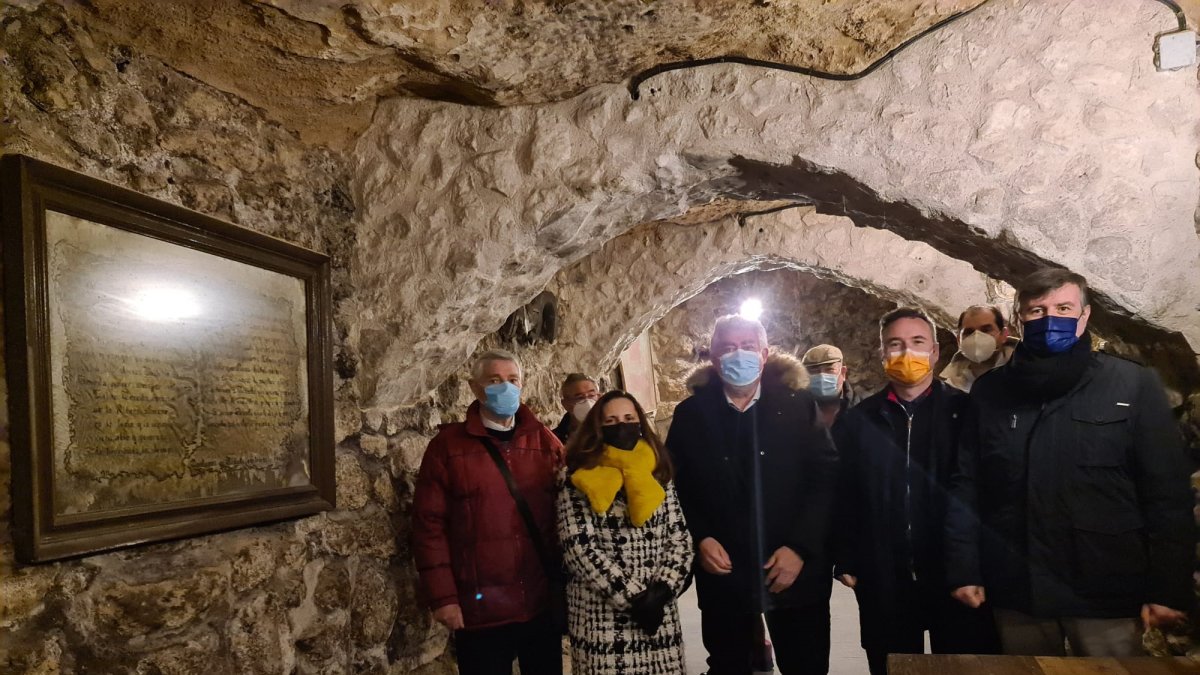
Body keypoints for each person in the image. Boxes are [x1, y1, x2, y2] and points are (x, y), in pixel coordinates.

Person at [945, 268, 1194, 656]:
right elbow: (967, 485)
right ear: (1019, 321)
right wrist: (964, 568)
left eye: (1063, 307)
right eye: (1037, 311)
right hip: (1018, 585)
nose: (1051, 319)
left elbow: (1166, 495)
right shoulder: (991, 392)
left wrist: (1168, 587)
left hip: (1104, 588)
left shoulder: (1131, 385)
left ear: (1085, 316)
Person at [831, 308, 999, 675]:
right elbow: (844, 495)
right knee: (891, 666)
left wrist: (978, 567)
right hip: (884, 579)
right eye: (895, 344)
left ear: (936, 352)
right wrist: (846, 560)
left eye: (917, 343)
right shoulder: (859, 422)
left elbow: (984, 493)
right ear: (881, 353)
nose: (906, 353)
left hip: (954, 576)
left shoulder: (966, 413)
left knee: (962, 666)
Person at [668, 314, 838, 675]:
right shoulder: (690, 415)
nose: (738, 355)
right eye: (727, 348)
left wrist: (800, 548)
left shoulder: (798, 406)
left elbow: (823, 480)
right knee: (730, 663)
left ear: (763, 354)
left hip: (793, 568)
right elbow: (678, 487)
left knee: (805, 663)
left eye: (747, 347)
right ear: (713, 359)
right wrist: (701, 537)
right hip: (724, 568)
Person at [412, 349, 564, 675]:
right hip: (480, 609)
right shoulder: (447, 448)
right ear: (475, 387)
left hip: (538, 601)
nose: (505, 388)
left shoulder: (544, 442)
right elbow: (429, 526)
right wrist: (444, 598)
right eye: (494, 381)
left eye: (512, 380)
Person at [557, 390, 694, 674]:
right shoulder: (577, 475)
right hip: (604, 613)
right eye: (611, 421)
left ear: (640, 422)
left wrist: (663, 590)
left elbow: (679, 537)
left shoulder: (657, 469)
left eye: (629, 418)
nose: (622, 425)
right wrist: (635, 599)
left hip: (657, 610)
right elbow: (578, 548)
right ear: (597, 427)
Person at [939, 305, 1018, 393]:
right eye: (969, 332)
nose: (977, 337)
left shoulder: (1026, 369)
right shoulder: (951, 387)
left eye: (986, 330)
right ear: (959, 340)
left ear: (1003, 335)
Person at [801, 344, 861, 428]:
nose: (822, 376)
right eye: (814, 371)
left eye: (829, 369)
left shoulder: (863, 410)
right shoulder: (796, 411)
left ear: (843, 373)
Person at [553, 373, 601, 443]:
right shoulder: (555, 440)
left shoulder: (611, 432)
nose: (588, 402)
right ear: (566, 404)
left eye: (591, 395)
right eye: (580, 397)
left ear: (599, 398)